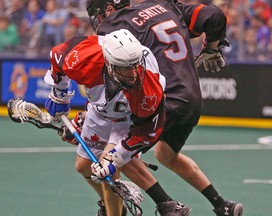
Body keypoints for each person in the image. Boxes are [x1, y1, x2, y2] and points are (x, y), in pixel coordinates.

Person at [85, 0, 244, 216]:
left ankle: (166, 205)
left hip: (163, 99)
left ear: (109, 10)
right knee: (165, 155)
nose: (98, 21)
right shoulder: (165, 6)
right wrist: (213, 48)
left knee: (114, 153)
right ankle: (222, 204)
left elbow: (112, 79)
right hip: (192, 99)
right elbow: (214, 15)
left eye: (98, 14)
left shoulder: (115, 24)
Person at [44, 29, 187, 216]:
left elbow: (147, 133)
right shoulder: (83, 59)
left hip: (128, 118)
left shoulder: (149, 89)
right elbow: (57, 56)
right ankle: (120, 204)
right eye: (124, 68)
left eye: (135, 65)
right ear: (109, 64)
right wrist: (59, 95)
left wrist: (116, 157)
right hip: (99, 111)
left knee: (106, 167)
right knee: (83, 166)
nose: (133, 73)